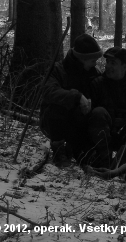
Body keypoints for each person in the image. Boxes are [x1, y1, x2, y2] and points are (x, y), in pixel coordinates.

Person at [39, 33, 102, 167]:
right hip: (56, 122)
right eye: (93, 60)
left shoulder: (94, 73)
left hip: (80, 123)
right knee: (58, 106)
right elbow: (48, 92)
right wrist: (77, 97)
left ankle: (77, 149)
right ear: (82, 59)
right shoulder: (57, 70)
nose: (95, 63)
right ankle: (59, 149)